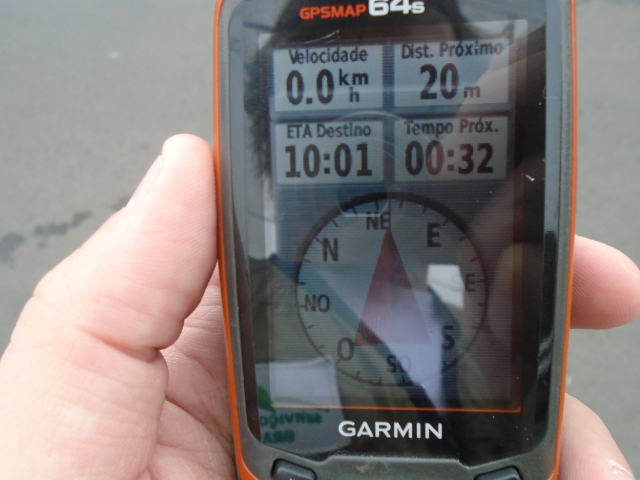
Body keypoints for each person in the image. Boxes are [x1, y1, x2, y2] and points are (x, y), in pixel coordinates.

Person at [0, 134, 636, 479]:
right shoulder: (249, 330)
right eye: (337, 145)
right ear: (265, 165)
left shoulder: (481, 320)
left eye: (424, 128)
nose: (379, 171)